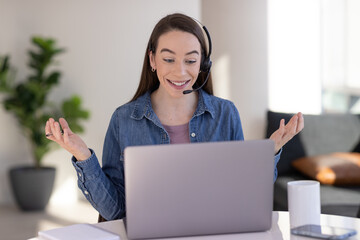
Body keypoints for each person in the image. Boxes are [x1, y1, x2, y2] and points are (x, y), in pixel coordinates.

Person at [45, 13, 304, 221]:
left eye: (190, 61)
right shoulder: (124, 119)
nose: (180, 72)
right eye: (168, 59)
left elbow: (245, 195)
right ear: (153, 60)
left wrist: (269, 151)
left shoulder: (225, 113)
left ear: (203, 64)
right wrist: (83, 157)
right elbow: (113, 211)